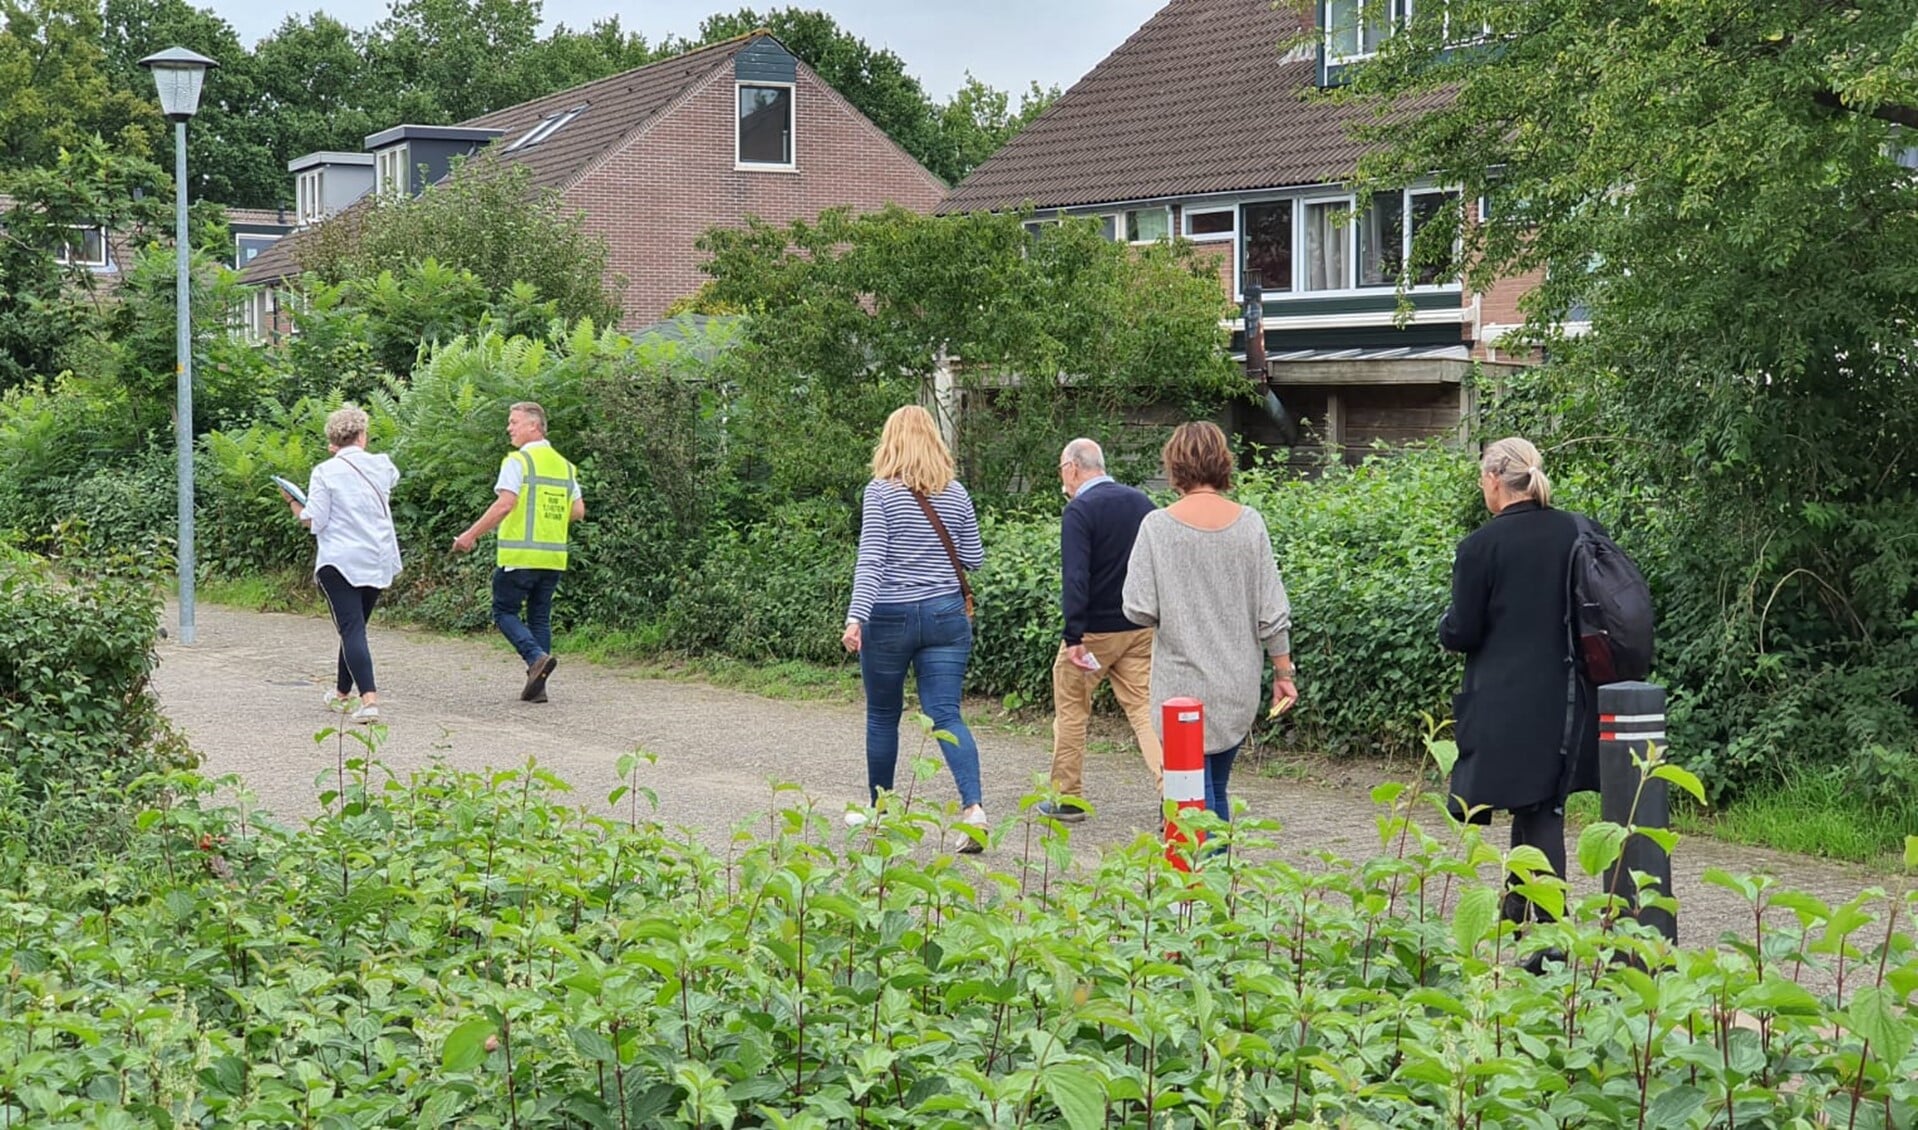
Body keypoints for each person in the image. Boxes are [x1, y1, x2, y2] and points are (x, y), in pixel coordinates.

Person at [1439, 436, 1599, 923]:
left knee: (1540, 809)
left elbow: (1461, 632)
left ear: (1493, 481)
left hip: (1505, 701)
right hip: (1570, 694)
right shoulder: (1577, 531)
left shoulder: (1480, 547)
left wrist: (1445, 624)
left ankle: (1550, 939)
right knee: (1535, 802)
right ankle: (1515, 907)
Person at [1123, 421, 1296, 826]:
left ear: (1174, 465)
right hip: (1237, 684)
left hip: (1180, 689)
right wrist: (1283, 672)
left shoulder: (1157, 526)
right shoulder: (1250, 523)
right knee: (1216, 787)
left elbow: (1137, 608)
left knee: (1192, 797)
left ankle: (1202, 884)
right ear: (1223, 462)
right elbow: (1272, 611)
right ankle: (1212, 882)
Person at [841, 405, 987, 852]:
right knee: (945, 713)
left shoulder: (880, 493)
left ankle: (880, 816)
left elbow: (872, 558)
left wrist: (856, 616)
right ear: (935, 442)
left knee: (883, 715)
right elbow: (975, 558)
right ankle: (974, 810)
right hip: (945, 614)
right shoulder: (956, 493)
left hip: (889, 617)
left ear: (890, 443)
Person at [1039, 437, 1162, 823]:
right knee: (1144, 711)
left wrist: (1074, 635)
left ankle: (1068, 798)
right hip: (1140, 628)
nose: (1063, 479)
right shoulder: (1143, 504)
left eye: (1062, 470)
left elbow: (1076, 577)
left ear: (1073, 467)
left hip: (1093, 633)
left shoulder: (1080, 510)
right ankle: (1175, 797)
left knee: (1073, 713)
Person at [451, 401, 584, 703]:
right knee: (540, 617)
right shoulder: (565, 466)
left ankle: (535, 657)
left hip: (520, 556)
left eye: (514, 422)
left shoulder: (517, 462)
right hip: (552, 557)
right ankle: (538, 685)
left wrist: (470, 535)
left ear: (534, 426)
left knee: (504, 612)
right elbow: (577, 510)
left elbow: (505, 504)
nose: (508, 428)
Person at [283, 404, 402, 725]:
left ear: (332, 440)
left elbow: (314, 521)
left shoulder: (325, 471)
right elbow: (391, 478)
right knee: (355, 629)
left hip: (339, 561)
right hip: (376, 558)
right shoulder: (382, 465)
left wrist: (295, 502)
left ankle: (370, 701)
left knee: (351, 629)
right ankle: (341, 695)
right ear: (362, 435)